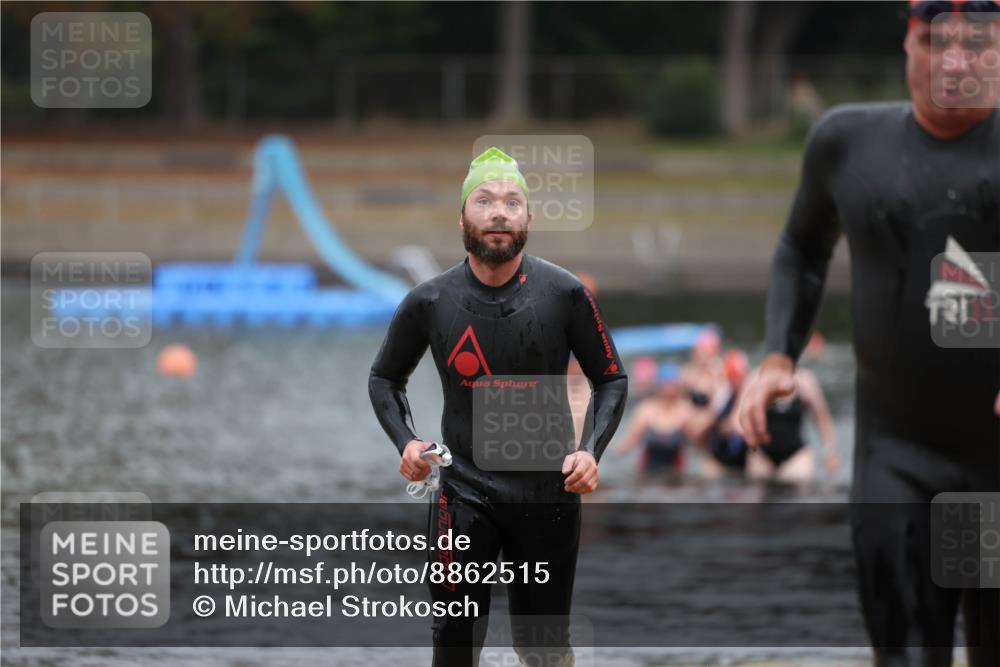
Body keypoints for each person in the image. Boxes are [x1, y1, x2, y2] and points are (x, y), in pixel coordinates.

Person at [739, 2, 1000, 664]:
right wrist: (778, 356)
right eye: (936, 41)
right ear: (908, 43)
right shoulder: (846, 142)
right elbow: (801, 249)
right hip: (899, 456)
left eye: (977, 43)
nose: (956, 61)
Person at [368, 146, 628, 666]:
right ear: (462, 217)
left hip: (549, 496)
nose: (499, 212)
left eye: (512, 202)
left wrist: (590, 451)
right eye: (484, 200)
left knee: (543, 650)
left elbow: (611, 380)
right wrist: (408, 442)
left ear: (529, 218)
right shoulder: (430, 302)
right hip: (463, 491)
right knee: (455, 646)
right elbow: (385, 379)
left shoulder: (566, 295)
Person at [616, 363, 691, 481]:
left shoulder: (684, 410)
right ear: (659, 385)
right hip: (647, 471)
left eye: (672, 384)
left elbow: (699, 441)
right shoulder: (647, 410)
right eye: (667, 384)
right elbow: (631, 440)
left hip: (676, 474)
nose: (669, 389)